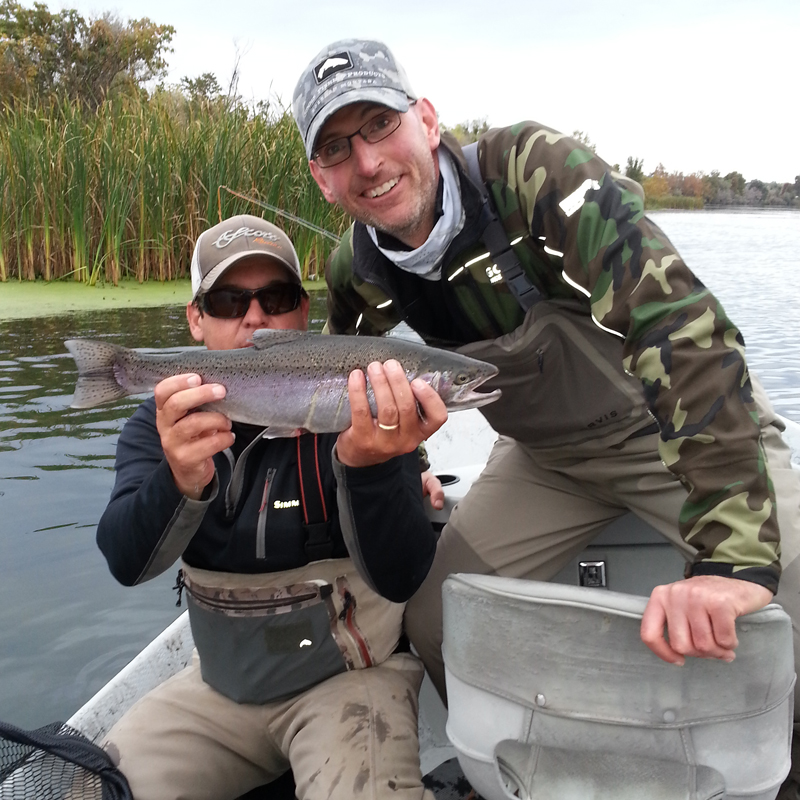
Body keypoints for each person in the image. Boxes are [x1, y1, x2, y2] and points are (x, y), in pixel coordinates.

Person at [292, 39, 800, 794]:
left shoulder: (537, 173)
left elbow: (682, 330)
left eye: (379, 126)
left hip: (665, 431)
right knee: (436, 617)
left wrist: (730, 557)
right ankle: (507, 771)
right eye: (337, 147)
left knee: (789, 566)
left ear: (427, 121)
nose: (367, 162)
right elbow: (356, 391)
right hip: (544, 459)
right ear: (321, 179)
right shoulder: (356, 271)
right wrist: (414, 470)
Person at [94, 214, 446, 800]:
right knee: (90, 786)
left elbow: (404, 573)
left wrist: (370, 467)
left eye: (276, 297)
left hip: (352, 685)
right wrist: (178, 480)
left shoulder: (365, 415)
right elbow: (126, 562)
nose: (255, 316)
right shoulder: (159, 430)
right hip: (217, 692)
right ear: (195, 319)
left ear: (303, 314)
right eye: (230, 300)